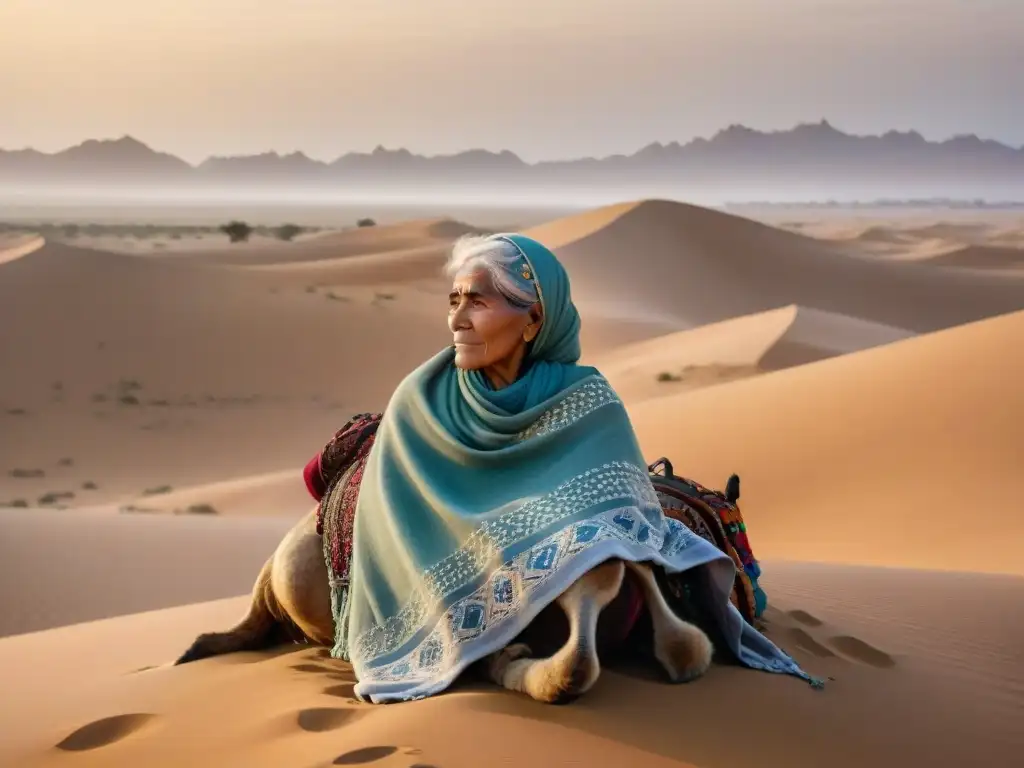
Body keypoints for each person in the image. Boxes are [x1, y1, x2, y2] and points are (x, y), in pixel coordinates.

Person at [317, 232, 813, 703]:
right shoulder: (420, 400)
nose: (457, 321)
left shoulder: (586, 400)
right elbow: (397, 516)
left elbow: (625, 506)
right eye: (453, 300)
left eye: (478, 302)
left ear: (533, 320)